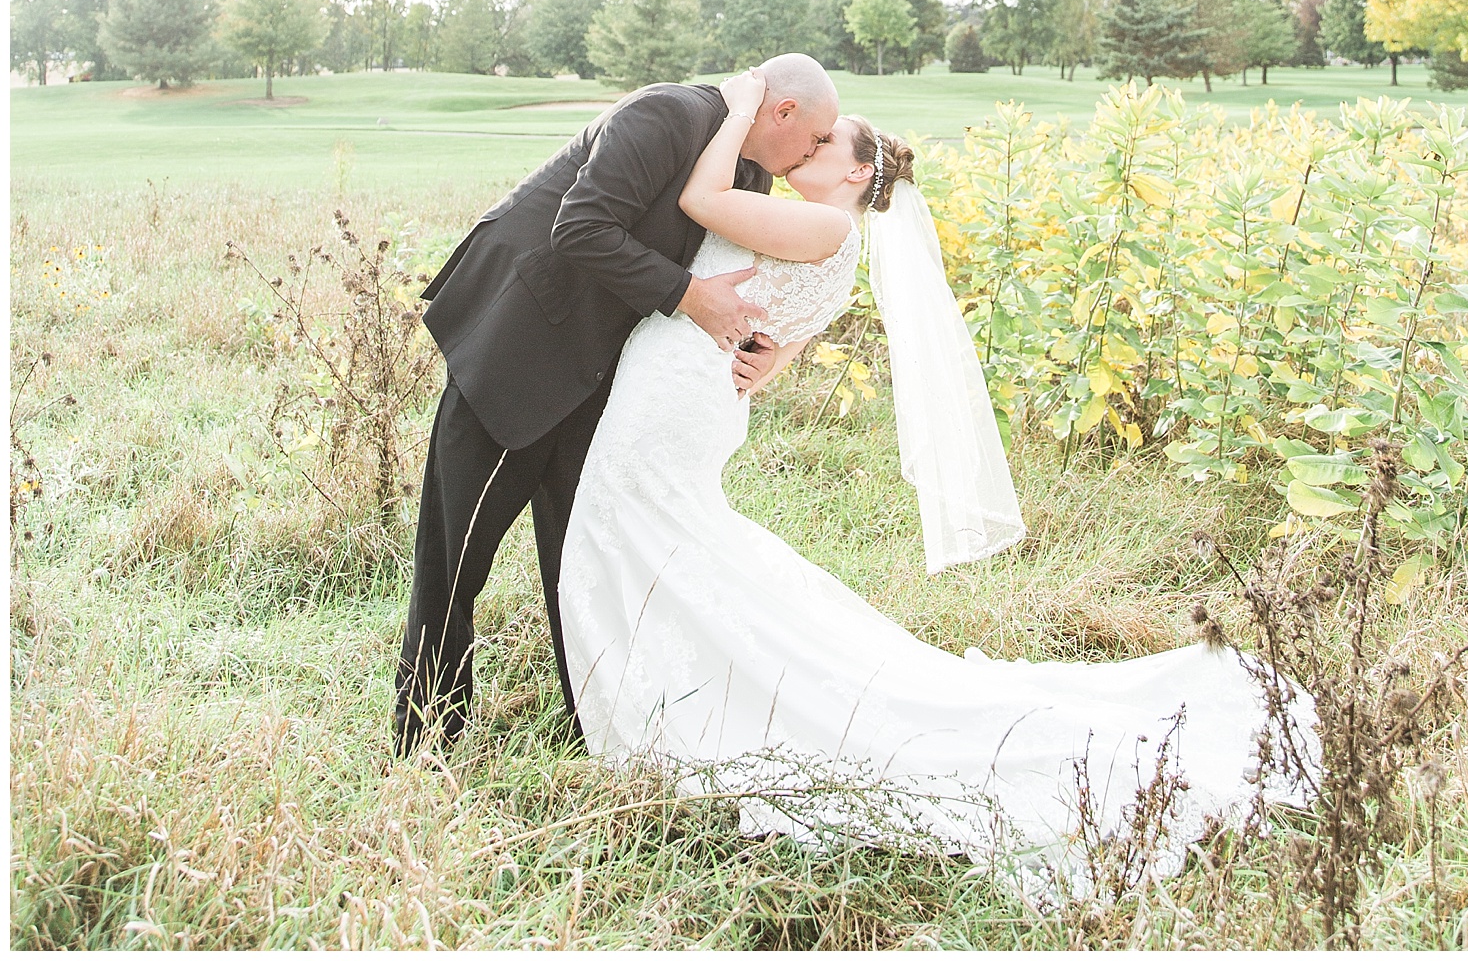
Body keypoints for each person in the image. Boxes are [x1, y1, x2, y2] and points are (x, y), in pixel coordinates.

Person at [558, 70, 1317, 884]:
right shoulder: (828, 239)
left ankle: (676, 696)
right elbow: (780, 349)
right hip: (688, 391)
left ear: (856, 173)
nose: (806, 149)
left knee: (637, 525)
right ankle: (672, 679)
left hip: (672, 399)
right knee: (665, 537)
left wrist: (741, 103)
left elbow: (702, 203)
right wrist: (765, 356)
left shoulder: (820, 227)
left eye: (822, 144)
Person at [394, 53, 839, 753]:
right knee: (455, 560)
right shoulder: (663, 114)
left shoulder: (745, 172)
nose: (811, 158)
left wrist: (762, 346)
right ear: (782, 112)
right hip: (519, 348)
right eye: (815, 140)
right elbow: (582, 228)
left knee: (581, 566)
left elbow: (739, 271)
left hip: (605, 386)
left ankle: (594, 730)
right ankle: (426, 738)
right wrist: (695, 301)